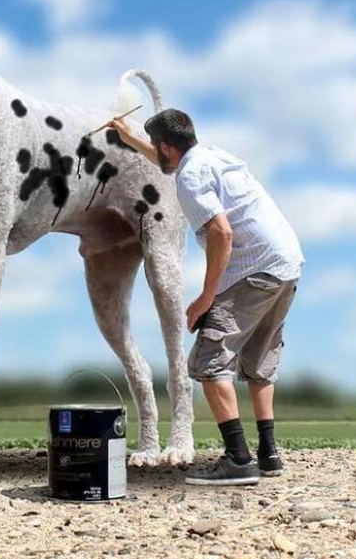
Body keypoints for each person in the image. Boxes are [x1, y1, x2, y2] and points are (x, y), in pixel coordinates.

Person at [109, 108, 303, 487]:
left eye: (153, 145)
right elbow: (170, 165)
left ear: (166, 145)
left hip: (253, 269)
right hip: (286, 263)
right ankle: (268, 453)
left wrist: (205, 297)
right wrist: (129, 137)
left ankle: (238, 460)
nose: (154, 151)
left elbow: (221, 233)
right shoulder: (210, 156)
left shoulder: (191, 178)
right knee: (261, 359)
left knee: (208, 362)